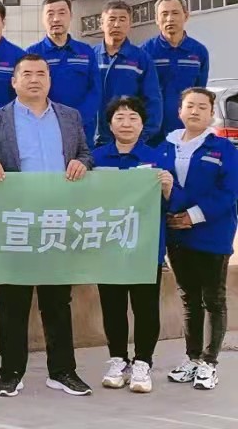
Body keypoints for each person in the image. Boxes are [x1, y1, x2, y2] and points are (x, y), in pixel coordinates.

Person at [0, 54, 94, 398]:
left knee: (57, 301)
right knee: (12, 302)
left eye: (41, 73)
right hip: (16, 221)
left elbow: (86, 153)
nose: (34, 79)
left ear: (49, 80)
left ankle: (63, 371)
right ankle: (11, 373)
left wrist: (81, 163)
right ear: (13, 81)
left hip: (58, 221)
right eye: (26, 74)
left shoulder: (69, 117)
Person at [157, 87, 238, 391]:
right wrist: (174, 212)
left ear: (211, 114)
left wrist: (193, 214)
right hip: (176, 233)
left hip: (212, 232)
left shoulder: (223, 149)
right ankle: (192, 358)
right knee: (189, 298)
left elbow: (229, 192)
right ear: (179, 111)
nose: (195, 111)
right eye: (190, 105)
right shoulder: (165, 146)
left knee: (213, 298)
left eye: (203, 107)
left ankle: (209, 363)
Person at [91, 96, 173, 394]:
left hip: (145, 247)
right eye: (120, 117)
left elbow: (172, 205)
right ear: (109, 124)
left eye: (133, 118)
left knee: (145, 307)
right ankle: (117, 360)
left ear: (142, 124)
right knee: (112, 306)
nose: (126, 123)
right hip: (108, 246)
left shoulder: (158, 158)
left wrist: (167, 189)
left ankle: (143, 363)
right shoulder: (95, 159)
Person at [26, 0, 101, 143]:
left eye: (62, 13)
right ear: (42, 19)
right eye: (50, 14)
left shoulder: (85, 52)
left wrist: (78, 119)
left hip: (82, 129)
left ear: (71, 16)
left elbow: (95, 90)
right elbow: (28, 93)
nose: (56, 19)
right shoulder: (32, 53)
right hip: (45, 128)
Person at [141, 0, 210, 145]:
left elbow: (200, 94)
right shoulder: (145, 52)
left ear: (186, 16)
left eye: (175, 13)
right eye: (164, 14)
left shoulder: (199, 52)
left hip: (185, 133)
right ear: (156, 19)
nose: (170, 19)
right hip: (151, 135)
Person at [94, 0, 162, 146]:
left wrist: (141, 137)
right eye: (112, 19)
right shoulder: (90, 57)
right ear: (101, 23)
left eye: (122, 19)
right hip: (93, 142)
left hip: (129, 141)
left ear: (130, 24)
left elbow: (153, 100)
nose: (116, 25)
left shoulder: (141, 58)